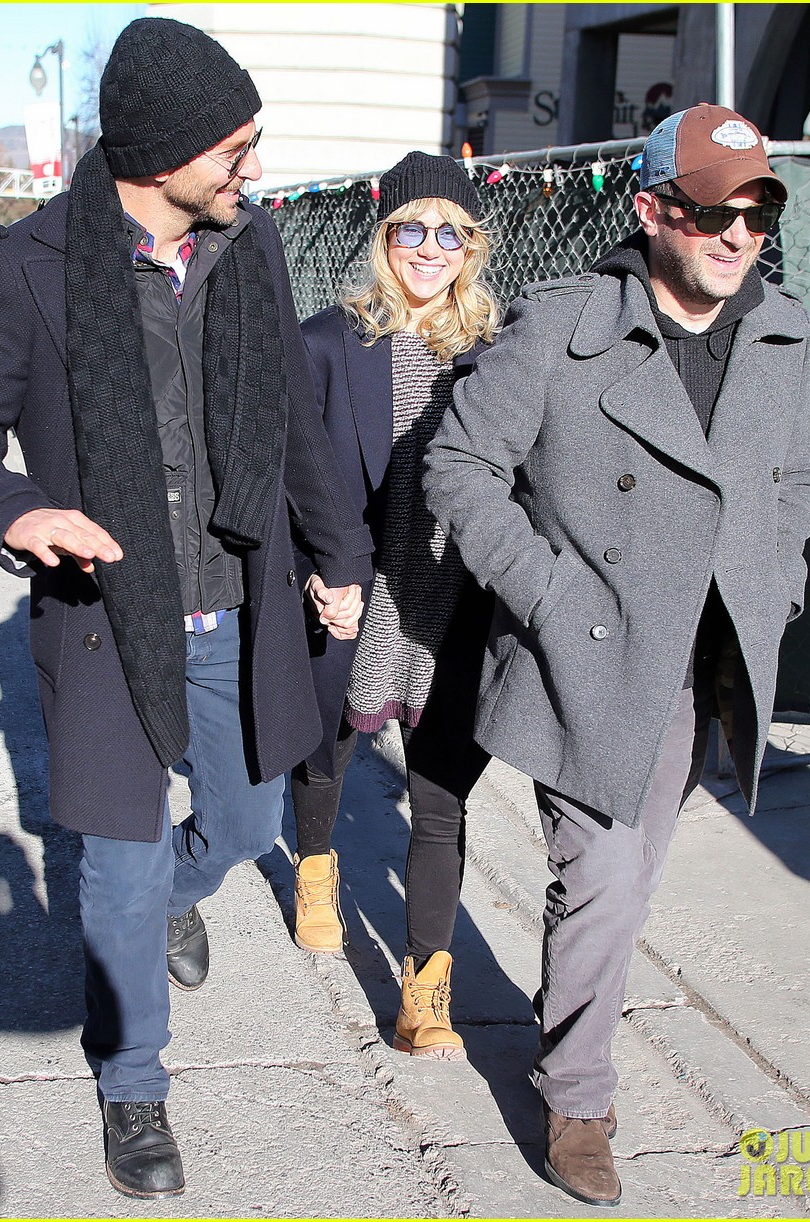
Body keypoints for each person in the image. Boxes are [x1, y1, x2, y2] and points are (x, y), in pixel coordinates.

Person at [0, 18, 373, 1200]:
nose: (252, 169)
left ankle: (178, 893)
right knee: (113, 874)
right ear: (161, 154)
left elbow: (291, 436)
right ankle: (133, 1087)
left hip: (239, 603)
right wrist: (20, 515)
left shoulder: (250, 246)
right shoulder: (25, 266)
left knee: (249, 823)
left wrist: (338, 558)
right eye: (235, 147)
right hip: (104, 620)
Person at [425, 104, 810, 1206]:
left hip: (708, 659)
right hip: (590, 654)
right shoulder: (560, 326)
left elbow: (790, 482)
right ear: (651, 210)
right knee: (599, 875)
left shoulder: (781, 330)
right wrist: (546, 593)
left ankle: (574, 1044)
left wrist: (775, 587)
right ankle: (578, 1097)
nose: (736, 234)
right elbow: (456, 463)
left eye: (757, 209)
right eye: (709, 211)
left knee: (631, 876)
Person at [289, 152, 500, 1061]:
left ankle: (425, 990)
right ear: (383, 238)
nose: (428, 247)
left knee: (441, 800)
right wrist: (312, 572)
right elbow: (290, 476)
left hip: (453, 605)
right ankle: (316, 866)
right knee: (326, 752)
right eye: (410, 228)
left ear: (470, 248)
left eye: (448, 231)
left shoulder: (495, 353)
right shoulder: (330, 342)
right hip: (357, 592)